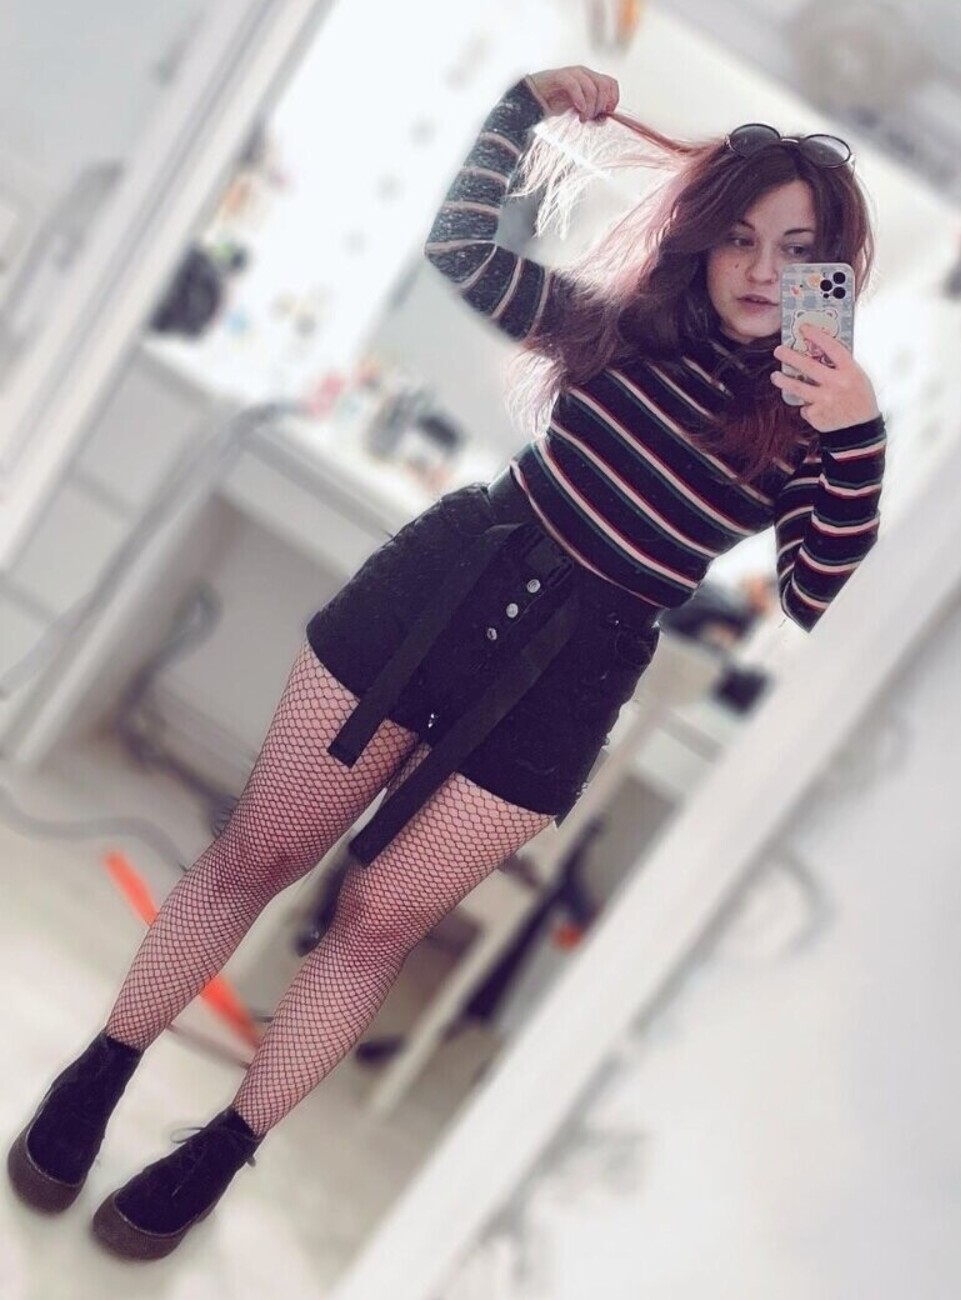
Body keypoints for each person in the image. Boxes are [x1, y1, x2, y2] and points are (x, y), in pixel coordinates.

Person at [8, 64, 885, 1259]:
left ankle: (216, 1151)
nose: (762, 269)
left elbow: (816, 590)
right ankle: (98, 1074)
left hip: (574, 676)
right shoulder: (619, 325)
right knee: (259, 850)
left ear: (836, 272)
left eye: (798, 250)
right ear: (704, 236)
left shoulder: (816, 425)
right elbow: (462, 245)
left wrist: (857, 433)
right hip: (444, 582)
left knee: (377, 922)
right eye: (741, 235)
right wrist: (525, 104)